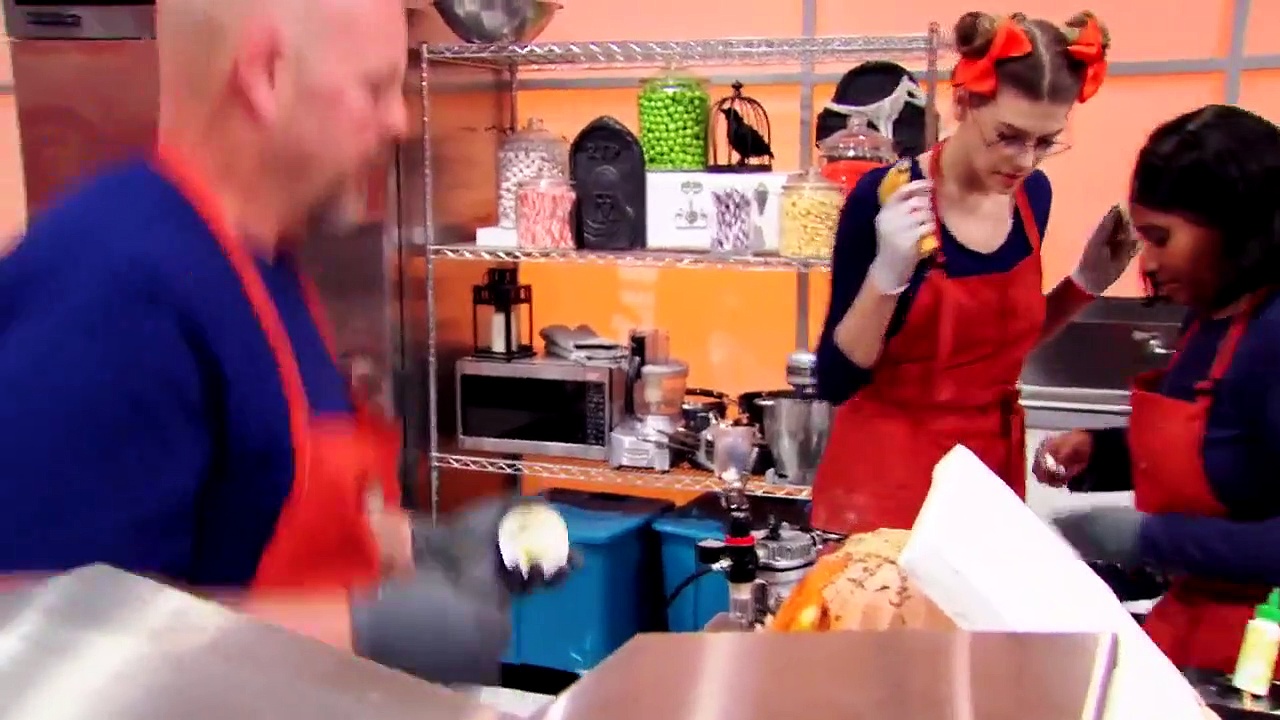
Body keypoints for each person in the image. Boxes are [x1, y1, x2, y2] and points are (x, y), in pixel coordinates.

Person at [0, 0, 572, 685]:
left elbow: (247, 517)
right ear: (267, 75)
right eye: (373, 88)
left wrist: (421, 546)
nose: (398, 120)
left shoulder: (266, 265)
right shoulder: (114, 287)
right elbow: (55, 647)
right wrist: (365, 632)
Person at [809, 10, 1138, 536]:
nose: (1025, 160)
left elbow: (997, 349)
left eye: (1045, 141)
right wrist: (885, 278)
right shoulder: (887, 197)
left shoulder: (1032, 198)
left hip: (985, 477)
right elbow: (836, 378)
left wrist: (1083, 286)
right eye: (1008, 136)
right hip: (886, 485)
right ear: (963, 103)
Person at [1034, 104, 1280, 675]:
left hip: (1259, 651)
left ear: (1235, 226)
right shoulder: (1209, 318)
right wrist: (1103, 451)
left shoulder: (1273, 336)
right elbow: (1229, 447)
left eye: (1162, 239)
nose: (1148, 262)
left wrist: (1150, 539)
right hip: (1192, 624)